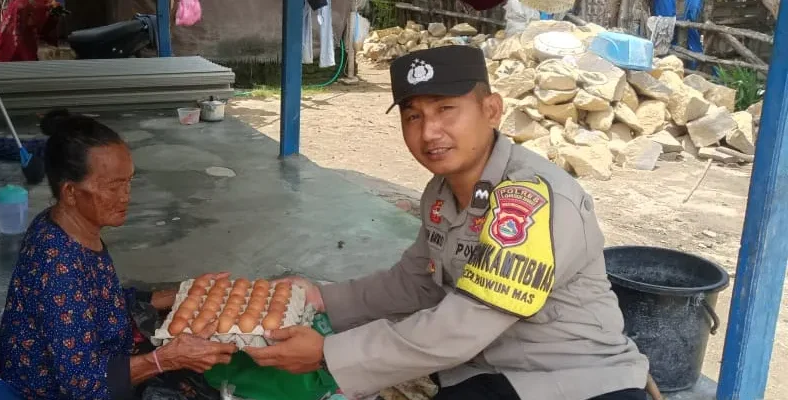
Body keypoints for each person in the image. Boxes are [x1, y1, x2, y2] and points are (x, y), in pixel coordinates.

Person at [244, 46, 651, 400]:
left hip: (572, 378)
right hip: (489, 369)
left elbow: (467, 322)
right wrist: (323, 299)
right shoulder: (441, 192)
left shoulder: (531, 199)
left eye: (445, 109)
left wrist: (330, 353)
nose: (429, 132)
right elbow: (417, 280)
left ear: (491, 110)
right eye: (413, 116)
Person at [0, 110, 237, 399]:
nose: (126, 196)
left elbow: (92, 302)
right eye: (113, 186)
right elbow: (83, 385)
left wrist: (175, 295)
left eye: (128, 182)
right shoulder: (56, 264)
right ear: (71, 192)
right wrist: (165, 359)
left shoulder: (66, 224)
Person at [0, 0, 65, 62]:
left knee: (27, 48)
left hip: (27, 26)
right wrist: (48, 6)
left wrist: (53, 6)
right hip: (19, 15)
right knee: (13, 45)